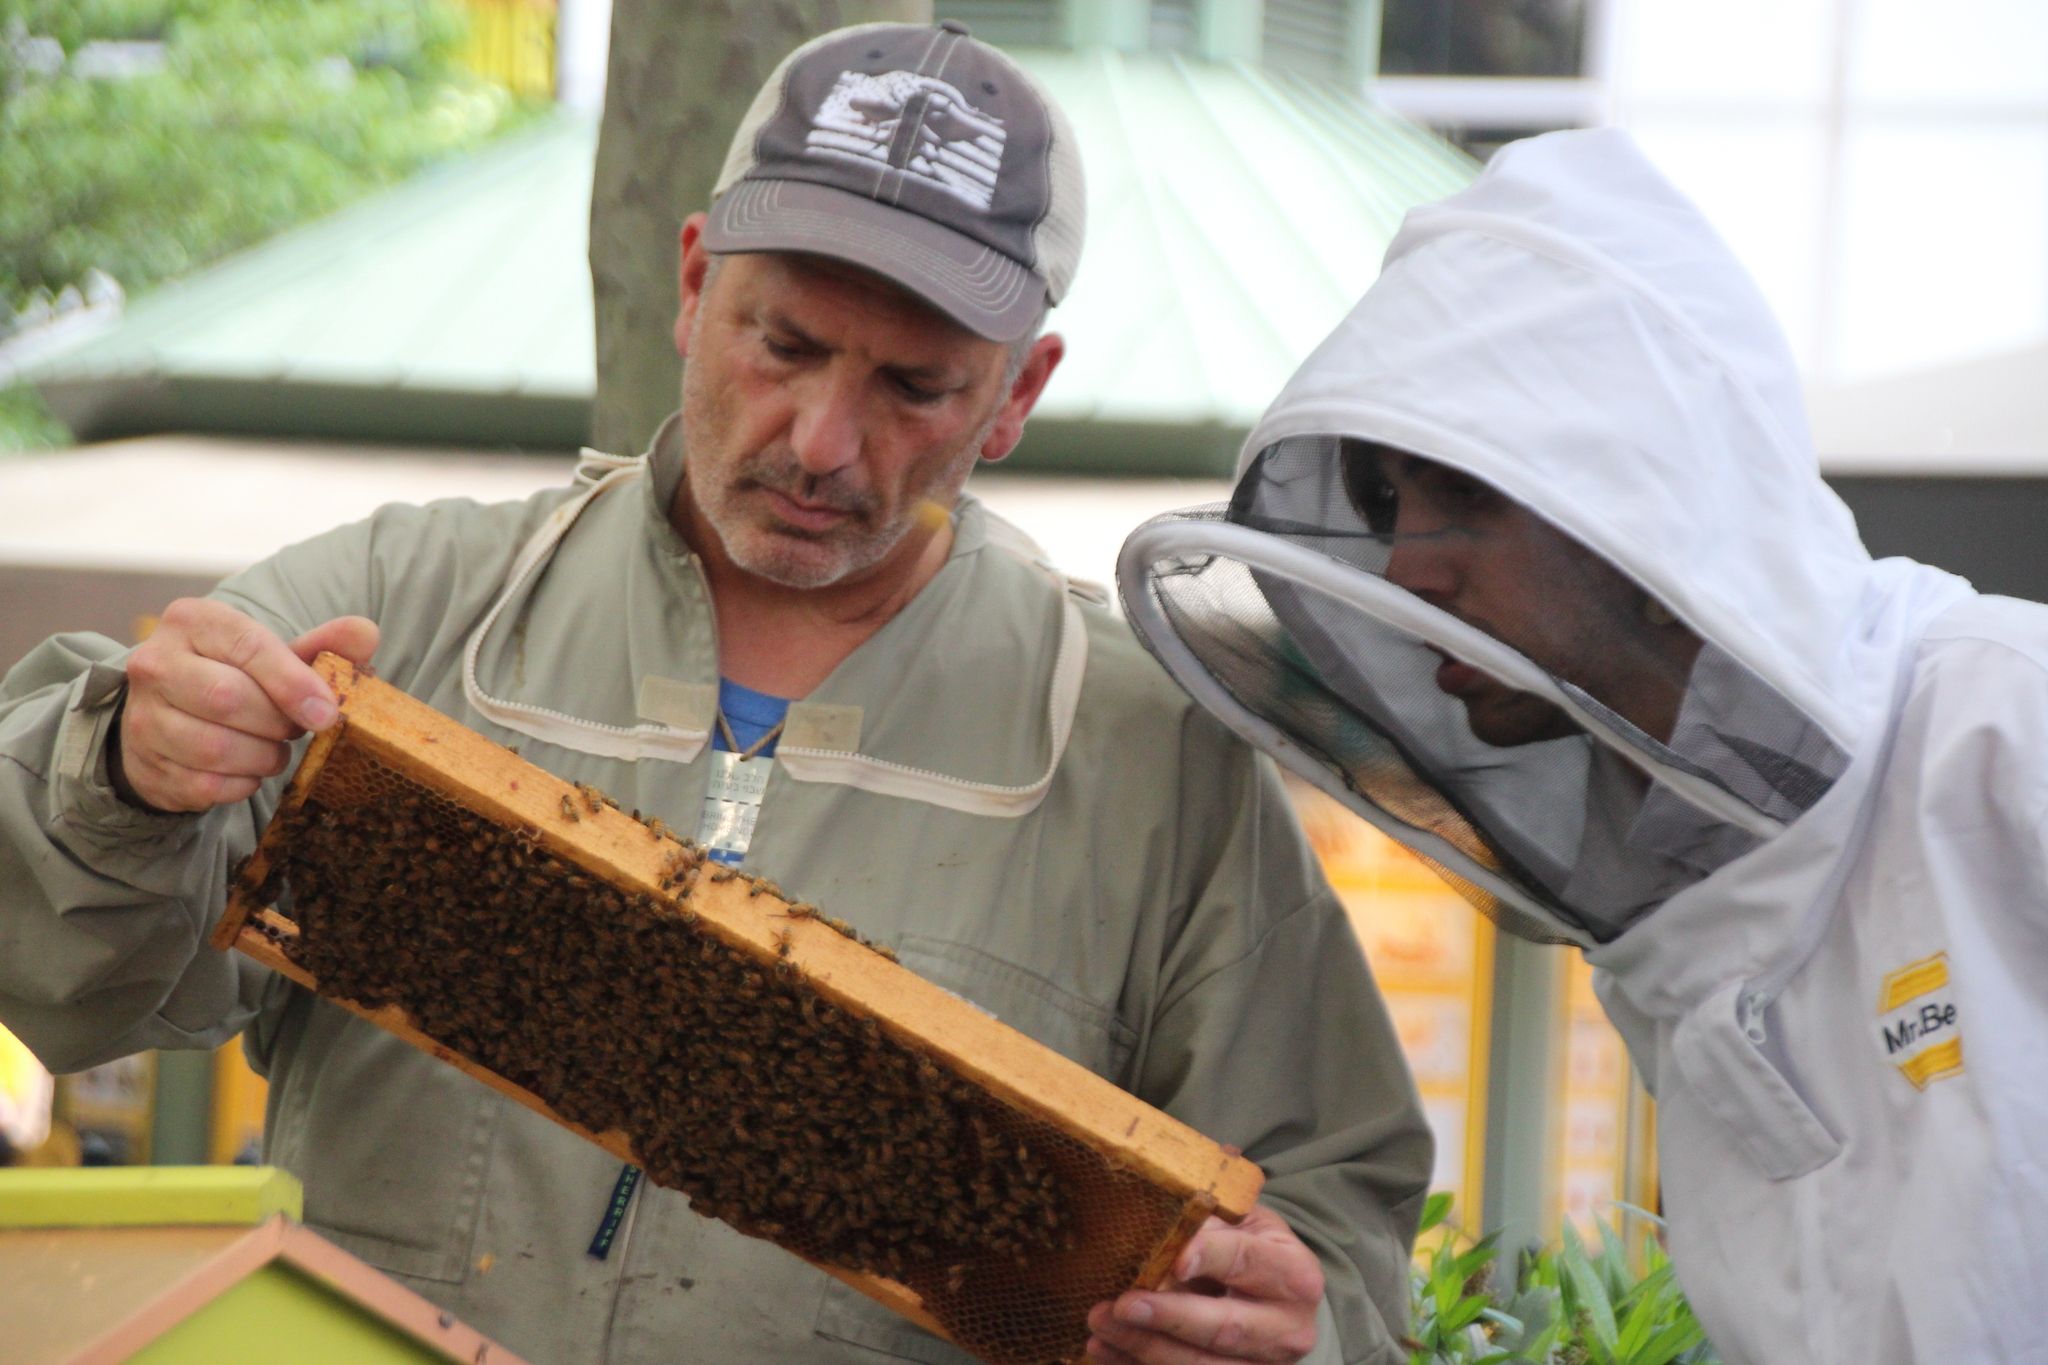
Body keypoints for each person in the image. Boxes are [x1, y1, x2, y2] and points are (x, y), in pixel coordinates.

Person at [0, 22, 1432, 1365]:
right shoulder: (404, 597)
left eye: (916, 387)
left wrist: (1298, 1325)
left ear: (1019, 392)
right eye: (784, 344)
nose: (821, 441)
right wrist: (120, 771)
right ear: (692, 284)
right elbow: (62, 965)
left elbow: (1339, 1230)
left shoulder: (1153, 756)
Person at [1119, 126, 2048, 1363]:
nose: (1403, 567)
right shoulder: (1676, 905)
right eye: (1390, 502)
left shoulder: (2003, 724)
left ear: (1655, 503)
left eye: (1466, 496)